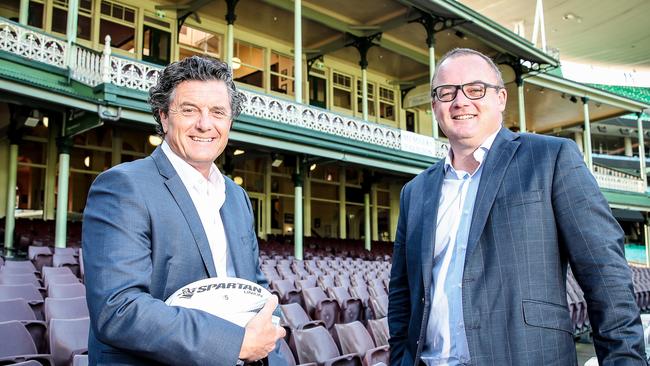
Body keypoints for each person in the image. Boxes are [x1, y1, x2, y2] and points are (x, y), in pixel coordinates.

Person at [387, 48, 646, 366]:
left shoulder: (550, 159)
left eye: (475, 89)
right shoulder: (415, 191)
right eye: (446, 92)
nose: (460, 101)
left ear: (501, 99)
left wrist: (625, 360)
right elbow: (402, 294)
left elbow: (603, 272)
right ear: (434, 106)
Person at [82, 55, 286, 365]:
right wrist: (235, 345)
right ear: (163, 116)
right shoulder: (123, 186)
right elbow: (118, 309)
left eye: (218, 112)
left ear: (230, 121)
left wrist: (270, 343)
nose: (205, 124)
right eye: (189, 110)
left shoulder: (237, 197)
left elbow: (256, 287)